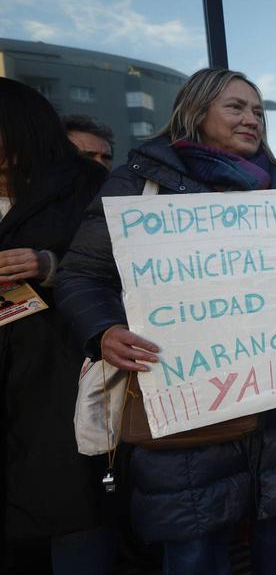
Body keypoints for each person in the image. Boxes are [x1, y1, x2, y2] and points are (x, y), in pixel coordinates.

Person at [56, 68, 276, 574]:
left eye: (257, 111)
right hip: (186, 401)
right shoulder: (140, 184)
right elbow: (82, 276)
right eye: (236, 107)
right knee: (195, 549)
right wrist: (104, 332)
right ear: (195, 110)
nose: (252, 119)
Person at [1, 78, 111, 573]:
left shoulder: (83, 185)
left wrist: (49, 265)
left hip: (57, 371)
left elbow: (120, 268)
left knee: (70, 508)